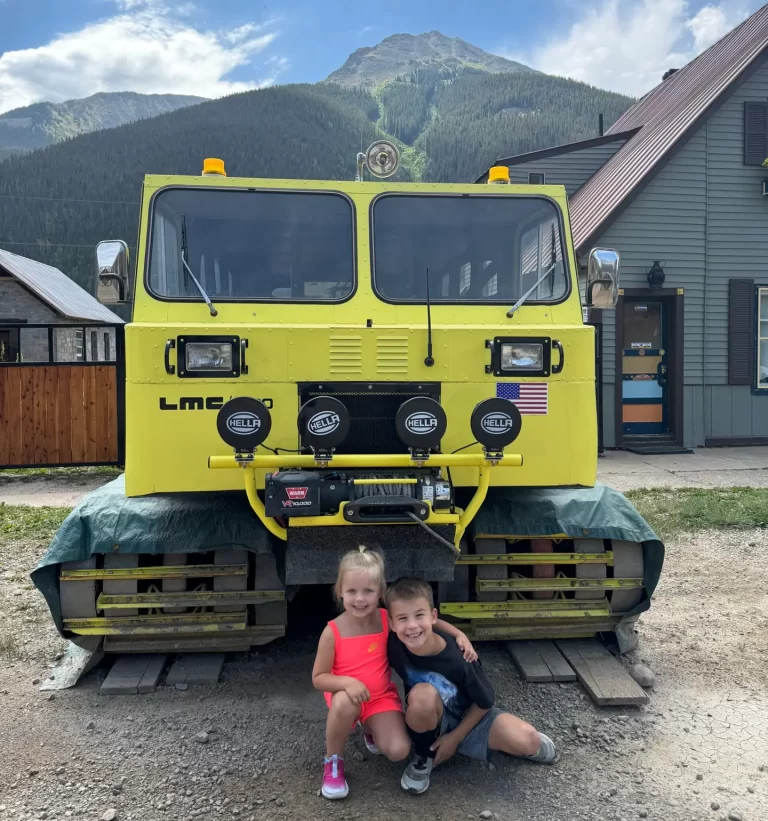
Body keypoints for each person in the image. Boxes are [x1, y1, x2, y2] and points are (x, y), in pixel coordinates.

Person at [311, 547, 478, 800]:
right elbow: (319, 677)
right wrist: (347, 682)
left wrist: (458, 634)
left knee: (399, 751)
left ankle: (369, 728)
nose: (360, 599)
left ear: (380, 592)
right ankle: (333, 762)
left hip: (379, 699)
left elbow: (430, 620)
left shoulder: (385, 619)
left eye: (368, 591)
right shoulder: (332, 631)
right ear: (340, 591)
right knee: (345, 701)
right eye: (352, 591)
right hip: (346, 696)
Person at [386, 577, 557, 795]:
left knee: (528, 740)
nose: (411, 626)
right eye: (402, 619)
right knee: (422, 696)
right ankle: (424, 753)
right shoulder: (394, 643)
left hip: (472, 718)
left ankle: (518, 743)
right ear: (391, 624)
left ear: (433, 616)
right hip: (432, 716)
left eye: (420, 615)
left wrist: (454, 738)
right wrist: (458, 632)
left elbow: (484, 702)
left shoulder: (460, 658)